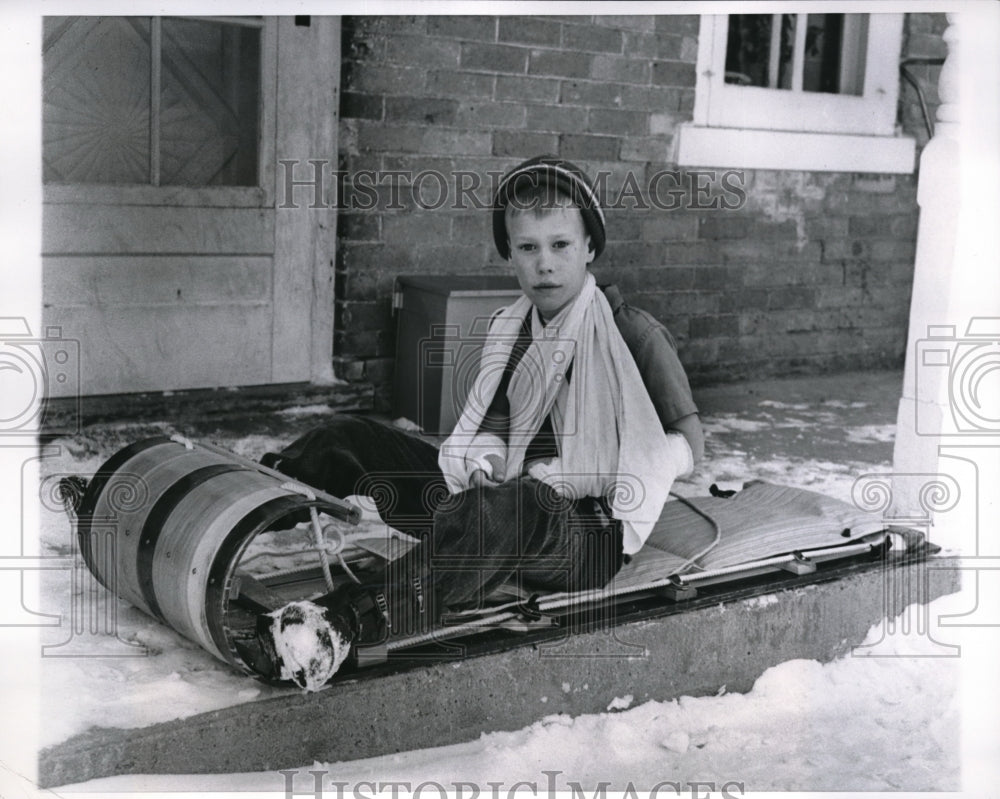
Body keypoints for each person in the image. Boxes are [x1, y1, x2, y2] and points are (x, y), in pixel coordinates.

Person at [253, 155, 703, 689]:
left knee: (520, 504)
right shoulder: (511, 328)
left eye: (561, 245)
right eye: (528, 248)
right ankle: (245, 508)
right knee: (353, 437)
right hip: (491, 509)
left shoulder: (634, 335)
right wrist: (485, 459)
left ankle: (344, 626)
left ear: (590, 247)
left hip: (586, 533)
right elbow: (494, 426)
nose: (545, 265)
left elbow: (689, 446)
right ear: (509, 253)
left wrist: (570, 477)